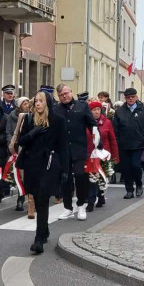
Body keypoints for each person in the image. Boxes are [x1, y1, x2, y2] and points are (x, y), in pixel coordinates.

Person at [17, 92, 67, 255]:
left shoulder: (57, 120)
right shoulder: (29, 119)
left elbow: (63, 147)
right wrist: (33, 133)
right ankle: (44, 231)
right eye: (36, 101)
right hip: (32, 165)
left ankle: (38, 239)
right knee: (37, 200)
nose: (37, 104)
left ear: (48, 103)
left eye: (41, 101)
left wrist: (65, 170)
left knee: (42, 199)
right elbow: (21, 141)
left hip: (49, 165)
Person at [56, 85, 97, 218]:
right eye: (61, 94)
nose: (64, 96)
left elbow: (92, 124)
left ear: (71, 92)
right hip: (62, 150)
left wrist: (97, 139)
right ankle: (67, 207)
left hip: (79, 148)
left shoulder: (82, 106)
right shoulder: (56, 109)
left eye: (66, 93)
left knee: (80, 176)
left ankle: (81, 205)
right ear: (58, 96)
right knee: (65, 179)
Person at [113, 87, 144, 199]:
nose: (130, 99)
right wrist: (117, 141)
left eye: (132, 97)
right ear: (125, 98)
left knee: (135, 165)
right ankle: (129, 190)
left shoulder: (143, 109)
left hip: (138, 143)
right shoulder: (120, 111)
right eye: (128, 97)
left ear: (136, 97)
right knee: (126, 168)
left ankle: (138, 184)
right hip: (124, 144)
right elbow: (115, 128)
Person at [89, 101, 117, 205]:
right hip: (91, 154)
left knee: (101, 176)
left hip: (103, 154)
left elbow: (112, 140)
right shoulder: (87, 123)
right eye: (93, 110)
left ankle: (101, 196)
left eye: (98, 110)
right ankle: (91, 201)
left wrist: (114, 156)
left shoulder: (107, 122)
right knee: (92, 178)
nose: (96, 112)